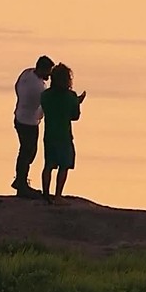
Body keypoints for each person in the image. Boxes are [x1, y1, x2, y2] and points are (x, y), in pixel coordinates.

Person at [40, 62, 86, 203]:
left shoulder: (45, 95)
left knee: (48, 165)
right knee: (64, 165)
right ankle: (58, 196)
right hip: (64, 136)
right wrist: (77, 102)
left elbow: (46, 109)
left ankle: (46, 194)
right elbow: (75, 116)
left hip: (49, 135)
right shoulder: (70, 96)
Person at [12, 55, 54, 197]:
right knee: (28, 152)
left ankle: (20, 180)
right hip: (29, 122)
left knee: (25, 151)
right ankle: (21, 183)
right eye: (48, 71)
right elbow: (43, 108)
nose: (49, 75)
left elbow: (16, 86)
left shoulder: (26, 73)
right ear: (42, 69)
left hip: (19, 117)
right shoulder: (38, 88)